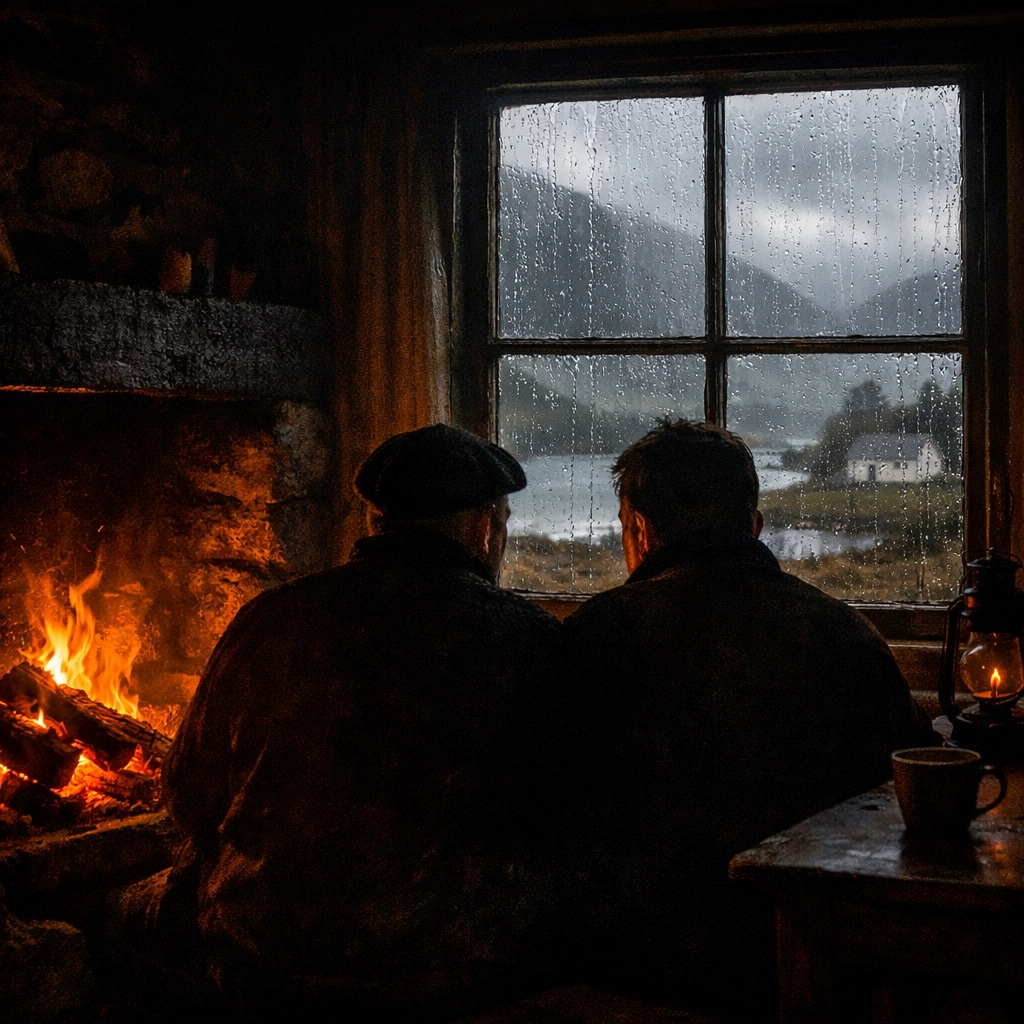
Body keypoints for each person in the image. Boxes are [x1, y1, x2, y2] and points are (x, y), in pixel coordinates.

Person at [164, 424, 562, 1021]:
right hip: (457, 967)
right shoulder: (527, 641)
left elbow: (189, 792)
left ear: (377, 521)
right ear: (484, 527)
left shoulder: (269, 620)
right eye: (502, 521)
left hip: (269, 960)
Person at [559, 419, 935, 1020]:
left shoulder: (597, 636)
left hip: (634, 973)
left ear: (639, 530)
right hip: (807, 963)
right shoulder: (842, 633)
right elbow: (912, 785)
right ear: (754, 525)